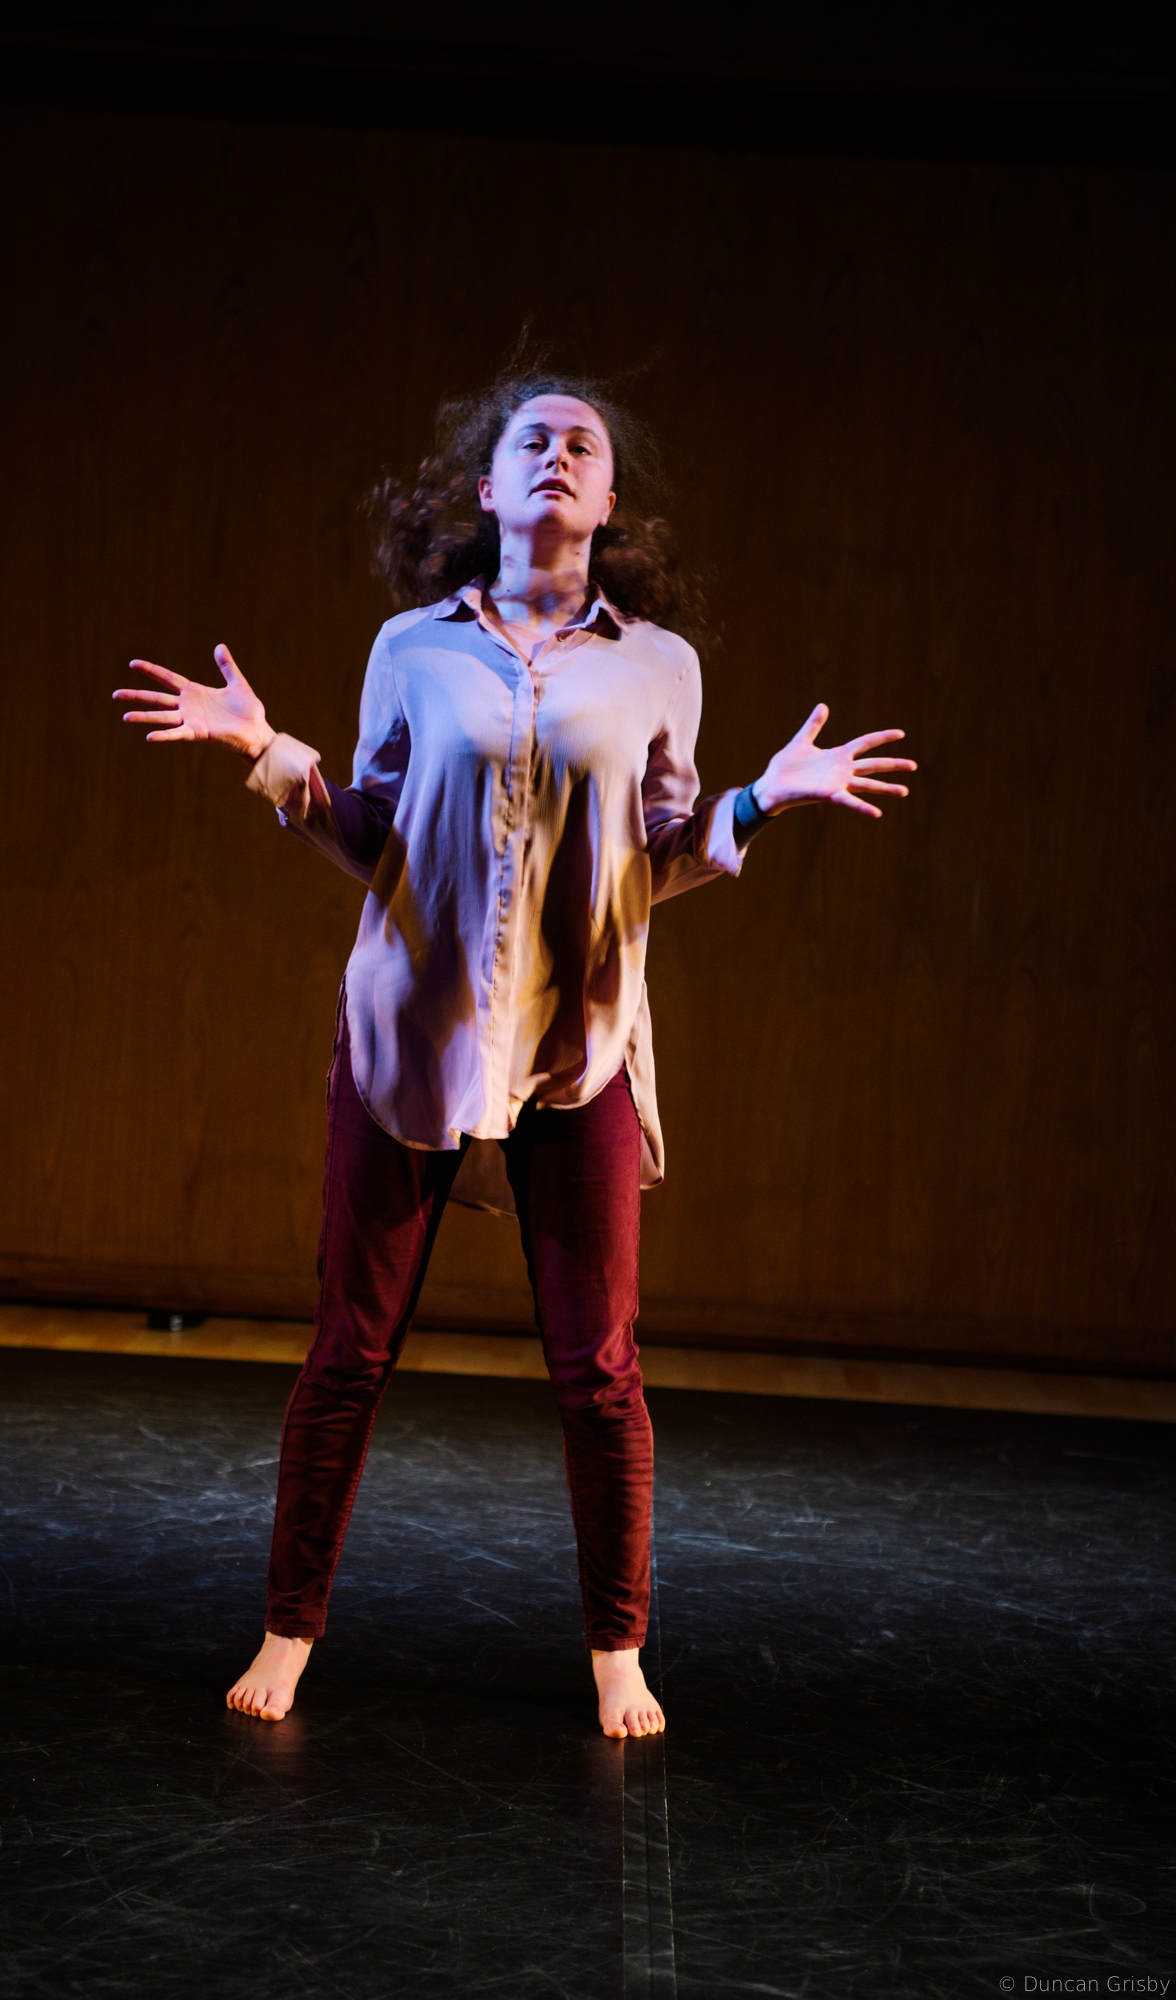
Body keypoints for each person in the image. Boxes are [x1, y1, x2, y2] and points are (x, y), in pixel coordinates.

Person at [113, 368, 915, 1739]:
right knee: (348, 1352)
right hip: (410, 1033)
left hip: (576, 1044)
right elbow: (374, 838)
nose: (557, 455)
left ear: (608, 498)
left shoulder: (660, 666)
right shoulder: (411, 649)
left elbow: (654, 862)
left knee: (599, 1369)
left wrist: (759, 803)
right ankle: (289, 1629)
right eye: (530, 440)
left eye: (581, 444)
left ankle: (618, 1648)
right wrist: (271, 754)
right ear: (486, 489)